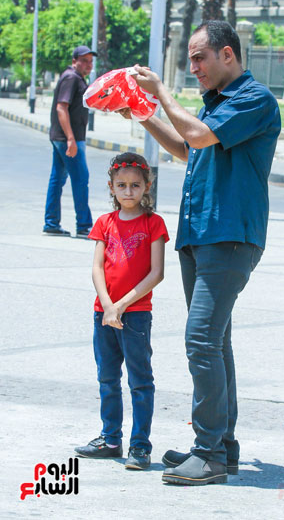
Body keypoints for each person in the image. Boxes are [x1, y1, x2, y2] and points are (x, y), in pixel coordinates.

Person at [120, 20, 281, 485]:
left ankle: (208, 454)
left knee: (201, 342)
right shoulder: (216, 107)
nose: (194, 68)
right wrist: (142, 112)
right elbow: (187, 150)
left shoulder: (254, 99)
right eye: (190, 60)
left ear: (227, 54)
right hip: (201, 237)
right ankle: (224, 448)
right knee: (216, 343)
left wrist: (163, 91)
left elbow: (197, 136)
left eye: (199, 58)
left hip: (229, 238)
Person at [74, 152, 169, 470]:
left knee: (140, 381)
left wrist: (122, 305)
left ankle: (140, 446)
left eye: (135, 185)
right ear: (112, 187)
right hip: (104, 314)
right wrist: (107, 306)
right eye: (122, 185)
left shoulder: (154, 224)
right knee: (107, 378)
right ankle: (111, 439)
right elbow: (97, 268)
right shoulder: (104, 223)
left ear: (147, 187)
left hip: (136, 315)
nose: (128, 192)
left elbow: (156, 273)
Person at [43, 45, 97, 238]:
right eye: (84, 60)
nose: (88, 65)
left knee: (57, 180)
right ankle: (84, 225)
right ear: (75, 61)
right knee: (81, 179)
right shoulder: (71, 77)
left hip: (63, 138)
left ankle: (51, 223)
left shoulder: (76, 78)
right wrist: (71, 139)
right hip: (68, 139)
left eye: (91, 61)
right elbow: (61, 108)